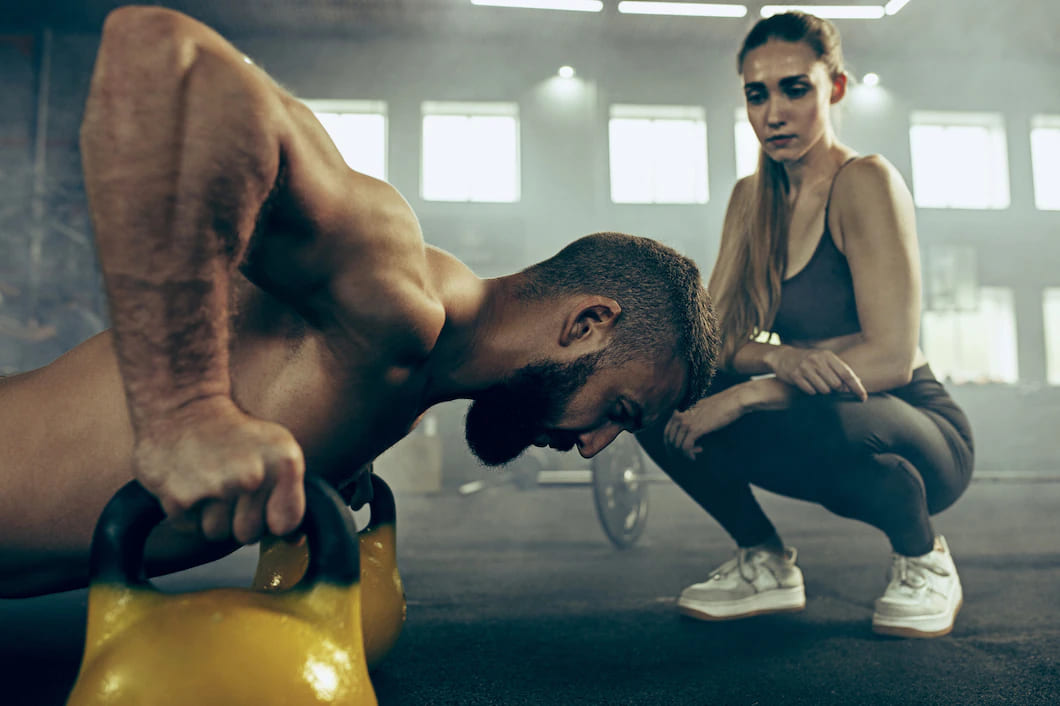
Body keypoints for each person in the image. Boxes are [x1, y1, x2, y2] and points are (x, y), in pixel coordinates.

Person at [0, 6, 718, 598]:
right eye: (618, 412)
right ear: (589, 323)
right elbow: (164, 58)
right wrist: (185, 412)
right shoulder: (396, 292)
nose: (595, 445)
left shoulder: (405, 383)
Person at [635, 11, 974, 639]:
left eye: (796, 88)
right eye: (756, 94)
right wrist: (775, 360)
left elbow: (891, 357)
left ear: (835, 88)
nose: (774, 112)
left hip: (915, 426)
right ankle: (763, 560)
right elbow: (716, 343)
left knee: (827, 408)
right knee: (659, 396)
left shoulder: (864, 180)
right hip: (821, 412)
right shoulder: (749, 199)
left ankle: (924, 560)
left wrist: (754, 391)